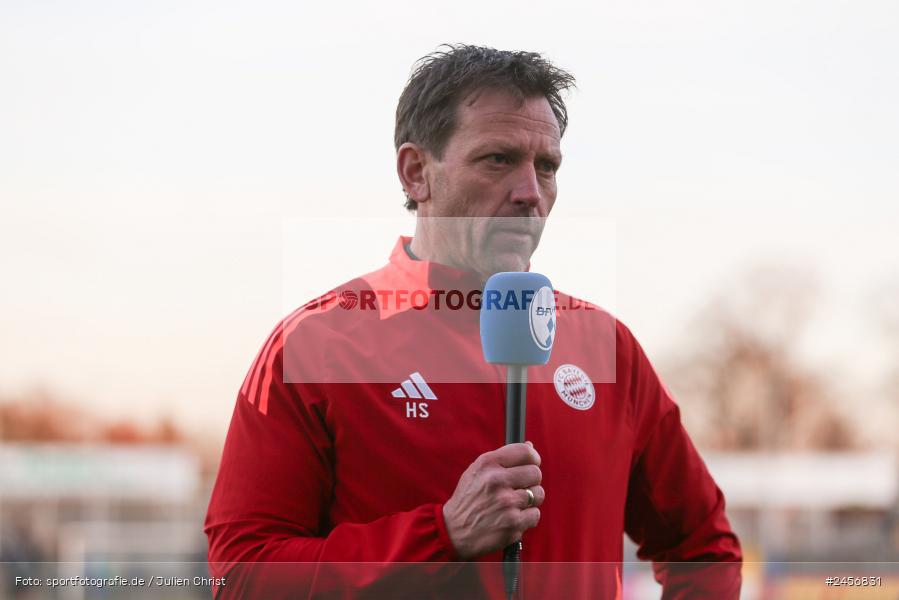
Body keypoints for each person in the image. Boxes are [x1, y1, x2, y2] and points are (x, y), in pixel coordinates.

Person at [204, 44, 742, 599]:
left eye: (547, 167)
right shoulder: (315, 345)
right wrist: (441, 535)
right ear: (417, 173)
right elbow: (240, 575)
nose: (530, 193)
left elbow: (703, 547)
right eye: (498, 160)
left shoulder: (606, 347)